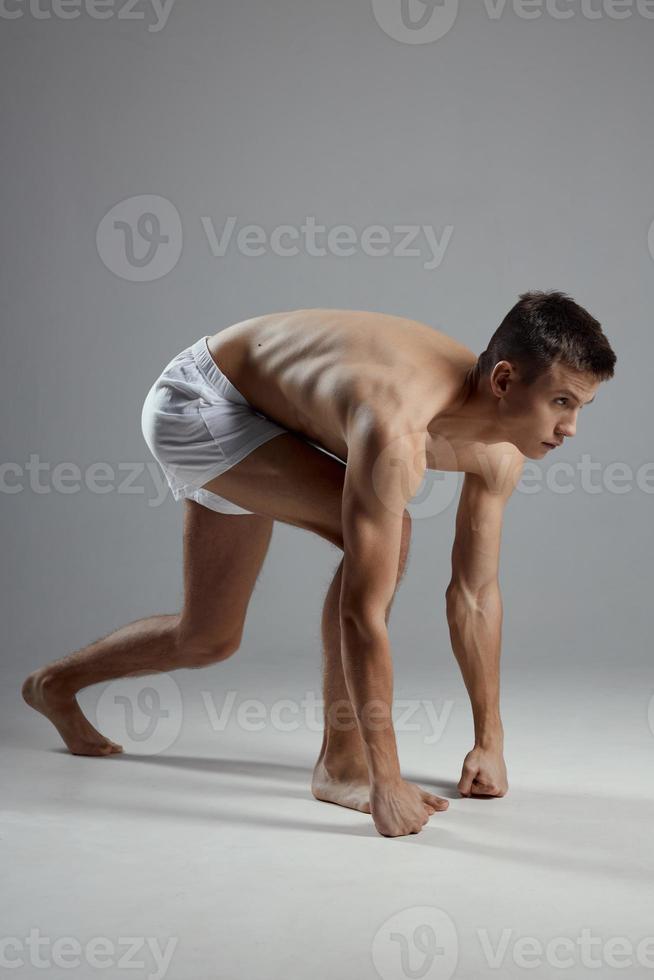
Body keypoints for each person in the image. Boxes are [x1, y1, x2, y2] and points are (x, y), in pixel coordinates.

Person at [22, 291, 616, 838]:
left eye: (581, 406)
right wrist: (386, 780)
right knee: (391, 532)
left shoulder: (500, 454)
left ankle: (53, 685)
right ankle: (344, 764)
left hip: (265, 414)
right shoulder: (395, 424)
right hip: (201, 400)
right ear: (505, 380)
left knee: (206, 639)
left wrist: (490, 741)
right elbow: (363, 612)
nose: (570, 428)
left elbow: (475, 595)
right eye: (560, 402)